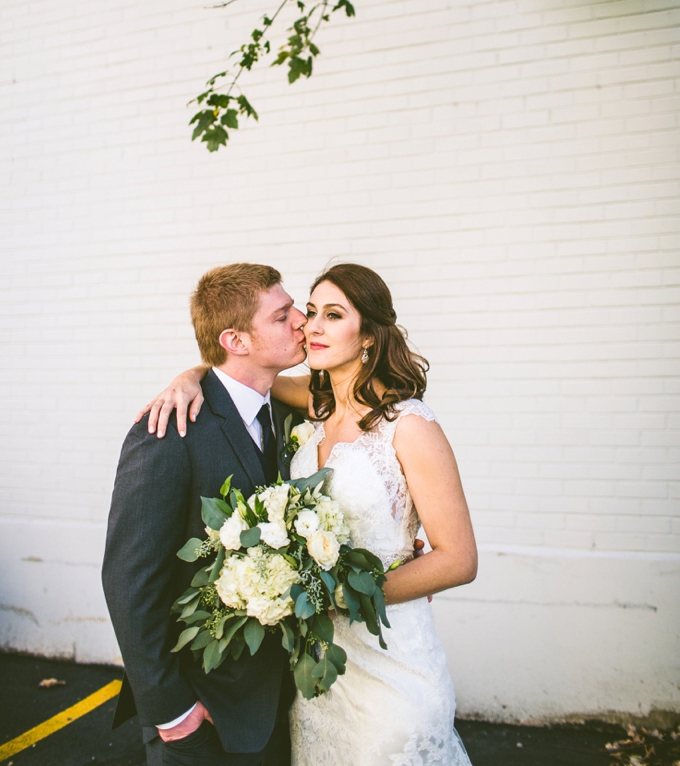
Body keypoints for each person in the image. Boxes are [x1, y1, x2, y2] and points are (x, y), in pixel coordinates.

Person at [141, 263, 478, 766]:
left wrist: (337, 596)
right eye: (311, 310)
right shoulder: (313, 405)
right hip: (318, 677)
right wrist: (188, 377)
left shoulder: (409, 426)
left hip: (390, 666)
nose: (310, 325)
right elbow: (237, 373)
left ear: (368, 334)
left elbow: (458, 560)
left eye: (333, 315)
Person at [102, 263, 307, 765]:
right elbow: (130, 580)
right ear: (235, 340)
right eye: (282, 315)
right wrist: (172, 713)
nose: (302, 320)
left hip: (284, 702)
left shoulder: (290, 414)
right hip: (203, 712)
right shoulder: (168, 430)